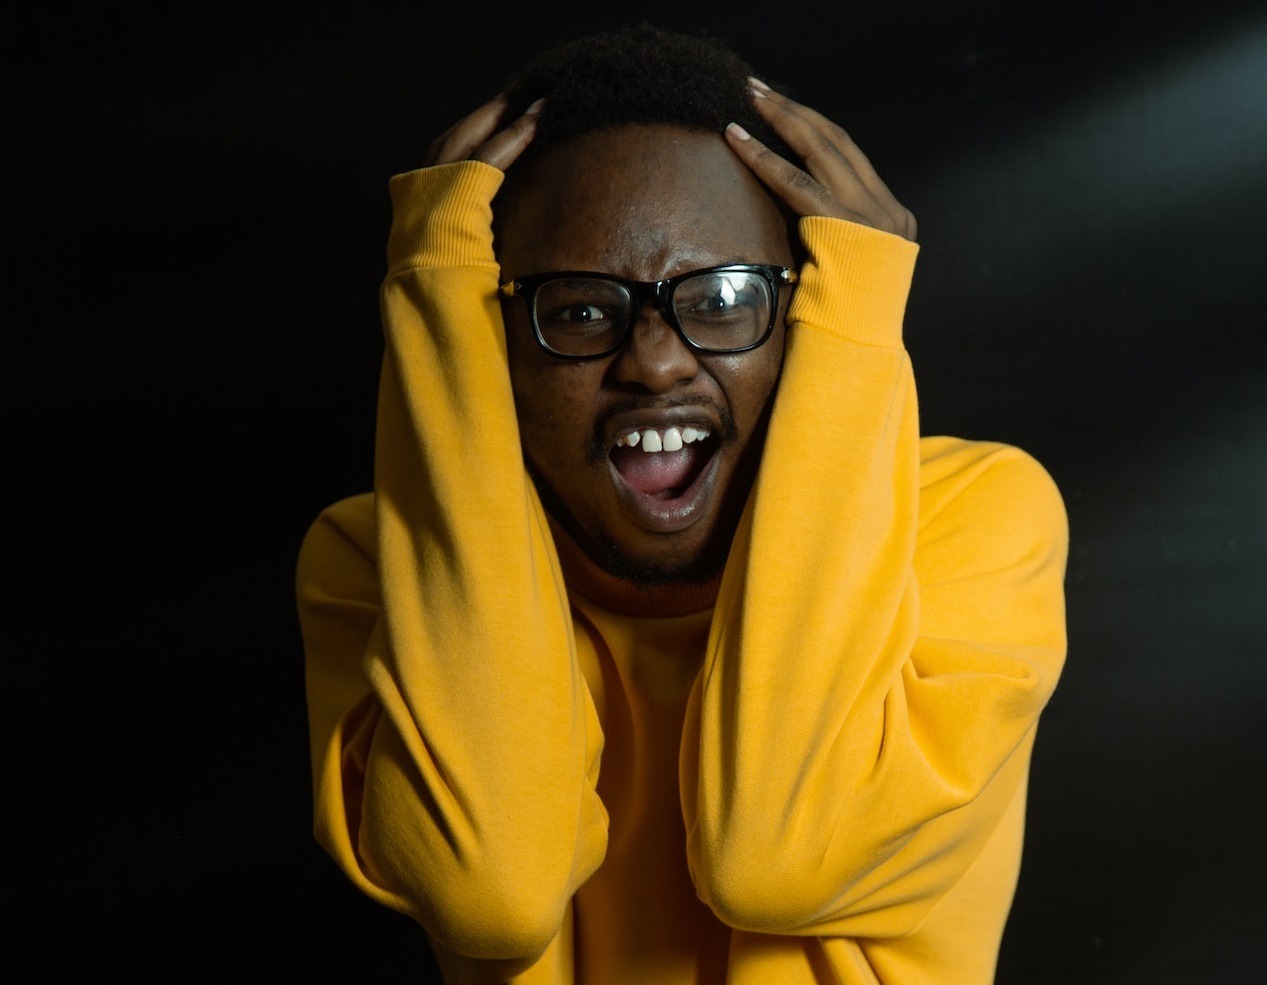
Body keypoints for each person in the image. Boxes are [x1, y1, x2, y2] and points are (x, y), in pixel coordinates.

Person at [295, 22, 1068, 985]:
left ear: (806, 318)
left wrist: (865, 317)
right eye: (577, 308)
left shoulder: (970, 518)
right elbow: (491, 886)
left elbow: (779, 857)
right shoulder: (374, 558)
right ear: (485, 332)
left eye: (723, 297)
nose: (654, 360)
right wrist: (431, 296)